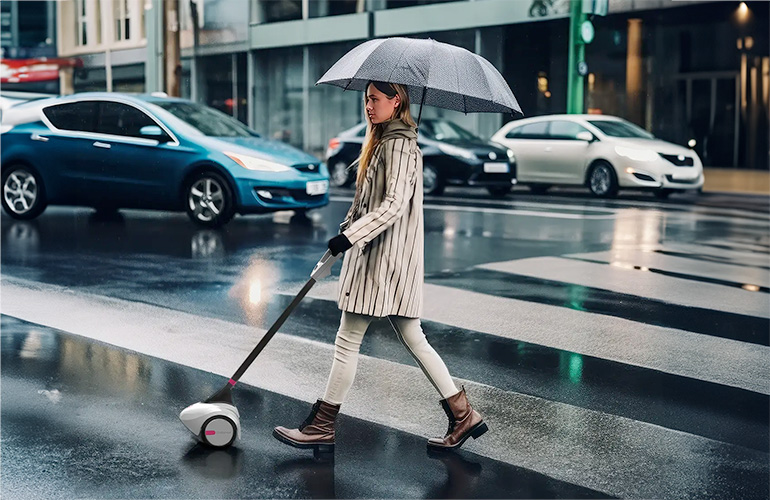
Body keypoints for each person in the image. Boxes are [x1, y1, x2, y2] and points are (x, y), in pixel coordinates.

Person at [273, 80, 487, 453]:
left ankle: (322, 425)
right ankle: (463, 413)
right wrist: (345, 230)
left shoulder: (400, 145)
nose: (368, 106)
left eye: (375, 99)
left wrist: (351, 236)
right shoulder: (386, 140)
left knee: (347, 341)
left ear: (396, 100)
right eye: (366, 99)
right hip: (384, 256)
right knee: (413, 337)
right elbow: (370, 202)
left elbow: (393, 205)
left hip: (381, 260)